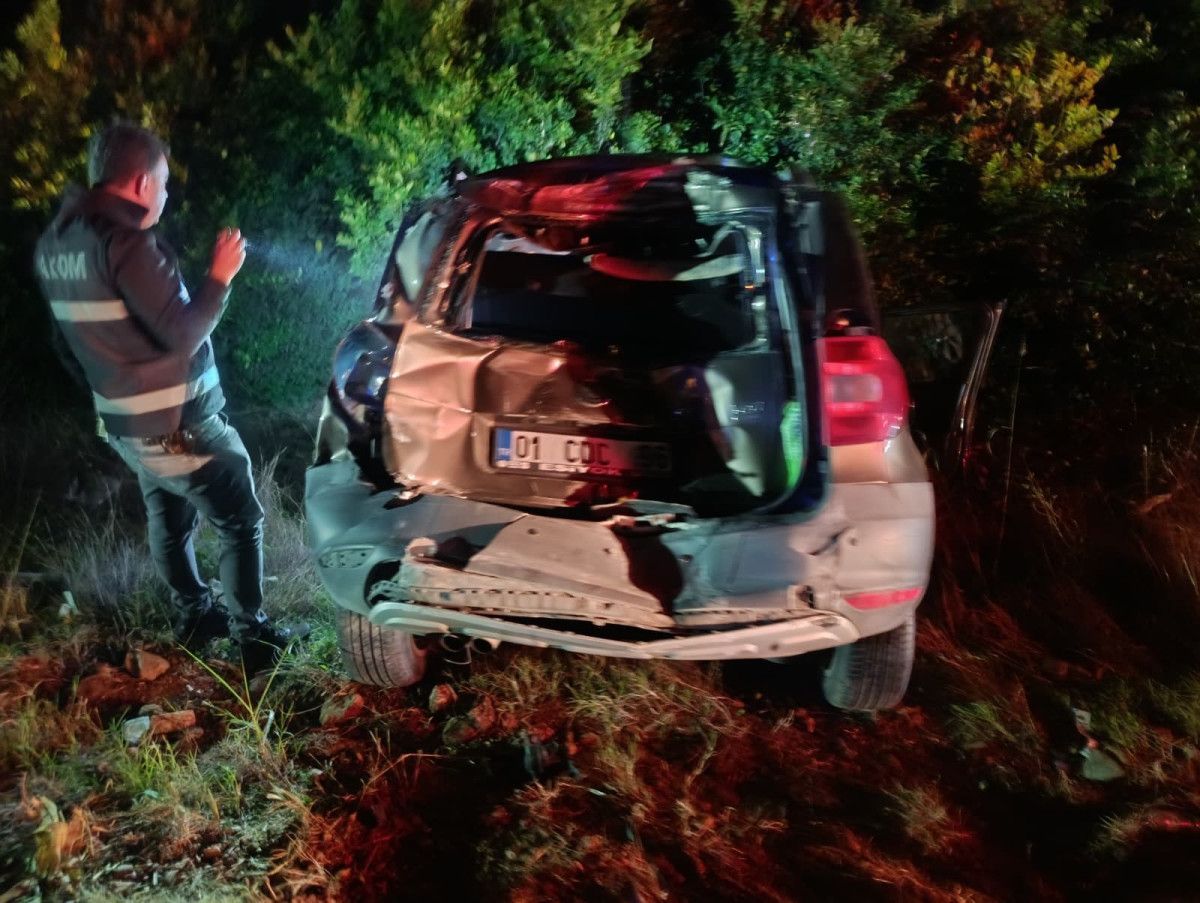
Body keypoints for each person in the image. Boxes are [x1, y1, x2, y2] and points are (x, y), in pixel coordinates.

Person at [33, 121, 295, 674]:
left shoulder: (59, 243)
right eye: (165, 183)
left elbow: (64, 343)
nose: (168, 194)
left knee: (170, 516)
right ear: (140, 183)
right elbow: (182, 332)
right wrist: (220, 276)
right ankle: (254, 639)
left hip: (127, 423)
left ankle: (195, 615)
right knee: (239, 515)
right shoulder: (125, 243)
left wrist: (116, 393)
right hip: (180, 423)